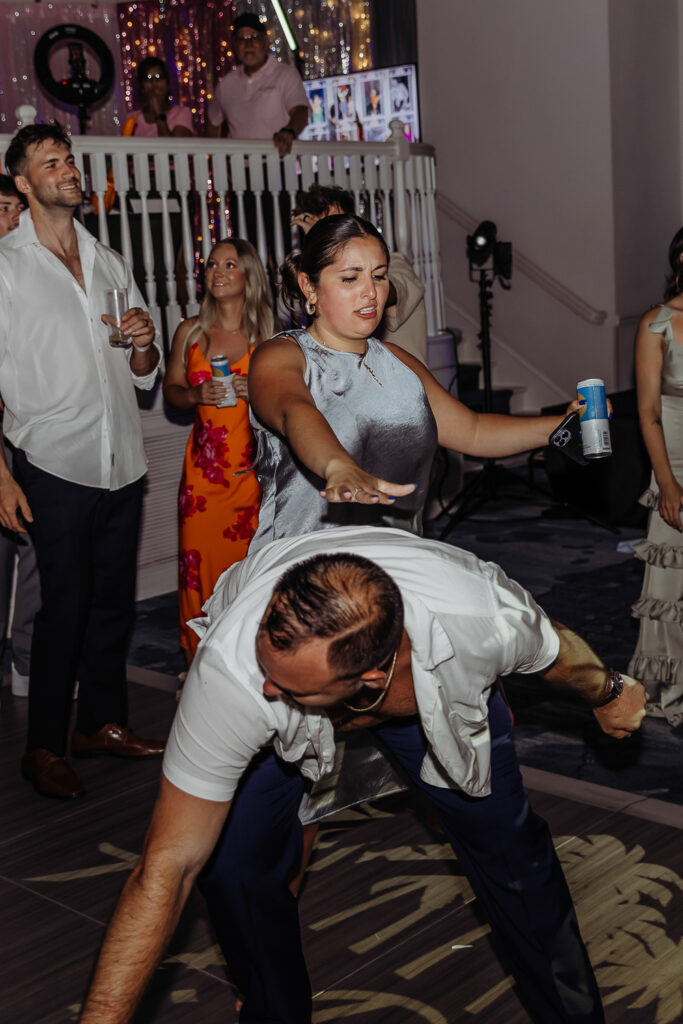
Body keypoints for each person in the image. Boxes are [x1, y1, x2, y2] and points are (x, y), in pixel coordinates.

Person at [78, 527, 646, 1024]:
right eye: (267, 670)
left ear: (372, 681)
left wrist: (610, 692)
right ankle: (273, 1010)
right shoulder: (239, 675)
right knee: (234, 869)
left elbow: (555, 650)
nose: (267, 686)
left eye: (288, 687)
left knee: (514, 858)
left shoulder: (480, 620)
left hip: (438, 691)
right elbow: (165, 869)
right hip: (287, 709)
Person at [247, 213, 581, 550]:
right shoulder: (280, 356)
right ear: (309, 287)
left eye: (379, 276)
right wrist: (338, 465)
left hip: (400, 558)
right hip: (304, 561)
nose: (370, 293)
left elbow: (474, 431)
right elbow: (295, 410)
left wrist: (562, 425)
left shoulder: (399, 362)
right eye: (350, 279)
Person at [0, 123, 165, 800]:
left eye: (69, 159)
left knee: (111, 606)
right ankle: (42, 746)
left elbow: (144, 371)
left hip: (120, 459)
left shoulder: (107, 259)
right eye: (51, 163)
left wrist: (144, 342)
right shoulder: (5, 268)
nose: (68, 169)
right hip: (51, 461)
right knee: (63, 609)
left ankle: (100, 723)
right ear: (22, 184)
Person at [162, 238, 275, 663]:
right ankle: (198, 668)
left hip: (254, 477)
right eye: (212, 265)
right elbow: (171, 391)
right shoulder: (189, 331)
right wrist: (196, 394)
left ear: (249, 275)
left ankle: (250, 667)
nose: (218, 272)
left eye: (230, 264)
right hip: (203, 480)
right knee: (199, 573)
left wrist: (259, 391)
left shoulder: (270, 335)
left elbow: (298, 401)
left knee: (251, 576)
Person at [629, 226, 683, 727]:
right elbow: (646, 411)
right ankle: (674, 692)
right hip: (676, 462)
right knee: (671, 583)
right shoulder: (656, 324)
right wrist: (666, 483)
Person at [290, 184, 429, 364]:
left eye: (378, 276)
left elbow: (389, 292)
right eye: (321, 229)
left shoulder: (396, 263)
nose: (371, 290)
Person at [0, 174, 38, 698]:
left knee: (34, 548)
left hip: (25, 429)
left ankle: (28, 660)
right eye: (4, 209)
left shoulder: (25, 271)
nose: (11, 220)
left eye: (15, 210)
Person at [206, 12, 309, 157]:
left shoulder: (285, 74)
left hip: (279, 166)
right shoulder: (226, 84)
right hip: (240, 171)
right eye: (242, 39)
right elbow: (212, 122)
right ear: (235, 45)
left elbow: (300, 112)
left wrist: (289, 132)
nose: (248, 44)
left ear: (265, 41)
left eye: (254, 37)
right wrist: (218, 161)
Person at [125, 56, 194, 138]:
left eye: (159, 77)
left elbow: (174, 149)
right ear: (142, 86)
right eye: (148, 78)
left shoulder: (182, 113)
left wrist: (158, 113)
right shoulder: (132, 119)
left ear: (167, 83)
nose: (154, 83)